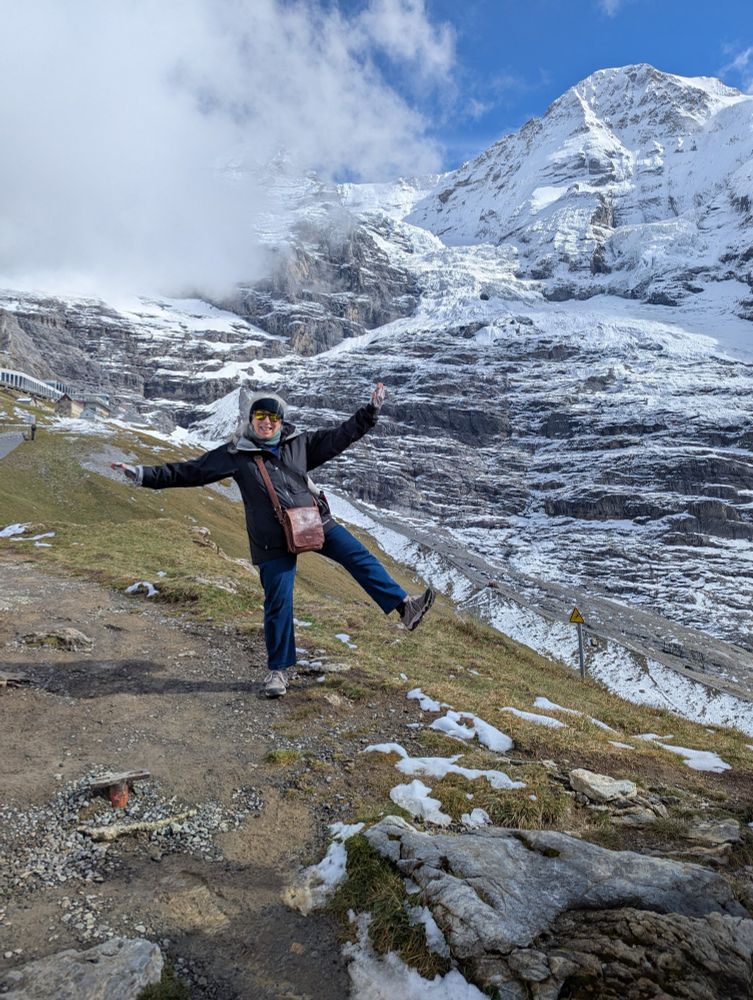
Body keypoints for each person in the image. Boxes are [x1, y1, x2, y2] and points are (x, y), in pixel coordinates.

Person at [113, 384, 434, 697]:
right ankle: (278, 671)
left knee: (359, 557)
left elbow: (339, 438)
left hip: (312, 522)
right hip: (271, 541)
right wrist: (142, 475)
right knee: (279, 603)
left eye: (274, 418)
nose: (267, 423)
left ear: (281, 421)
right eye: (261, 416)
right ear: (251, 419)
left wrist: (369, 413)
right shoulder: (235, 454)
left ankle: (405, 608)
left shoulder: (299, 444)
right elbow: (188, 472)